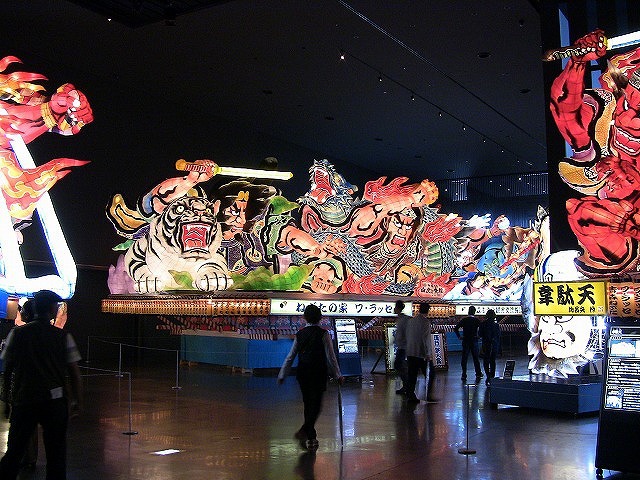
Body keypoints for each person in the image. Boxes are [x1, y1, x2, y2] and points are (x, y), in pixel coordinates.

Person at [0, 290, 82, 479]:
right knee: (56, 455)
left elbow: (7, 368)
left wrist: (7, 400)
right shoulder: (63, 337)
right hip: (54, 403)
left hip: (24, 399)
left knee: (14, 452)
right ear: (52, 309)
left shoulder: (17, 334)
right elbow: (74, 373)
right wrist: (77, 401)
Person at [278, 304, 344, 450]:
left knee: (308, 404)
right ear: (320, 318)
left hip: (303, 373)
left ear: (304, 318)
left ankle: (311, 436)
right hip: (318, 372)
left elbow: (290, 356)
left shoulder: (300, 334)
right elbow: (331, 356)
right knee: (317, 405)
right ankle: (305, 432)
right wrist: (338, 374)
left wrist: (282, 374)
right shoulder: (324, 334)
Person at [404, 303, 435, 403]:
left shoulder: (411, 321)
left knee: (412, 375)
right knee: (430, 374)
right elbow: (426, 339)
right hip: (421, 353)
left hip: (410, 351)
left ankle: (410, 395)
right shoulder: (425, 322)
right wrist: (428, 353)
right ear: (428, 311)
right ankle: (428, 395)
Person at [454, 306, 482, 381]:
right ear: (474, 312)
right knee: (476, 358)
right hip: (474, 340)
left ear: (468, 311)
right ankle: (478, 373)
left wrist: (459, 336)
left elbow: (456, 328)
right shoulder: (476, 320)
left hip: (466, 340)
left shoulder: (464, 320)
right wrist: (479, 336)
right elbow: (482, 328)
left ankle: (464, 374)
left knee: (464, 358)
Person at [479, 309, 501, 385]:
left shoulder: (483, 324)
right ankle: (492, 375)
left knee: (486, 360)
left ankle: (488, 375)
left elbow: (480, 334)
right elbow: (498, 335)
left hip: (486, 344)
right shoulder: (496, 325)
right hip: (494, 345)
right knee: (492, 361)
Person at [393, 300, 409, 395]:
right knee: (399, 365)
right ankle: (406, 385)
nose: (394, 309)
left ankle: (407, 385)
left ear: (398, 308)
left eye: (395, 307)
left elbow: (404, 333)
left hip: (404, 346)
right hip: (401, 346)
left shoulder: (404, 319)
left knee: (398, 365)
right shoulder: (401, 319)